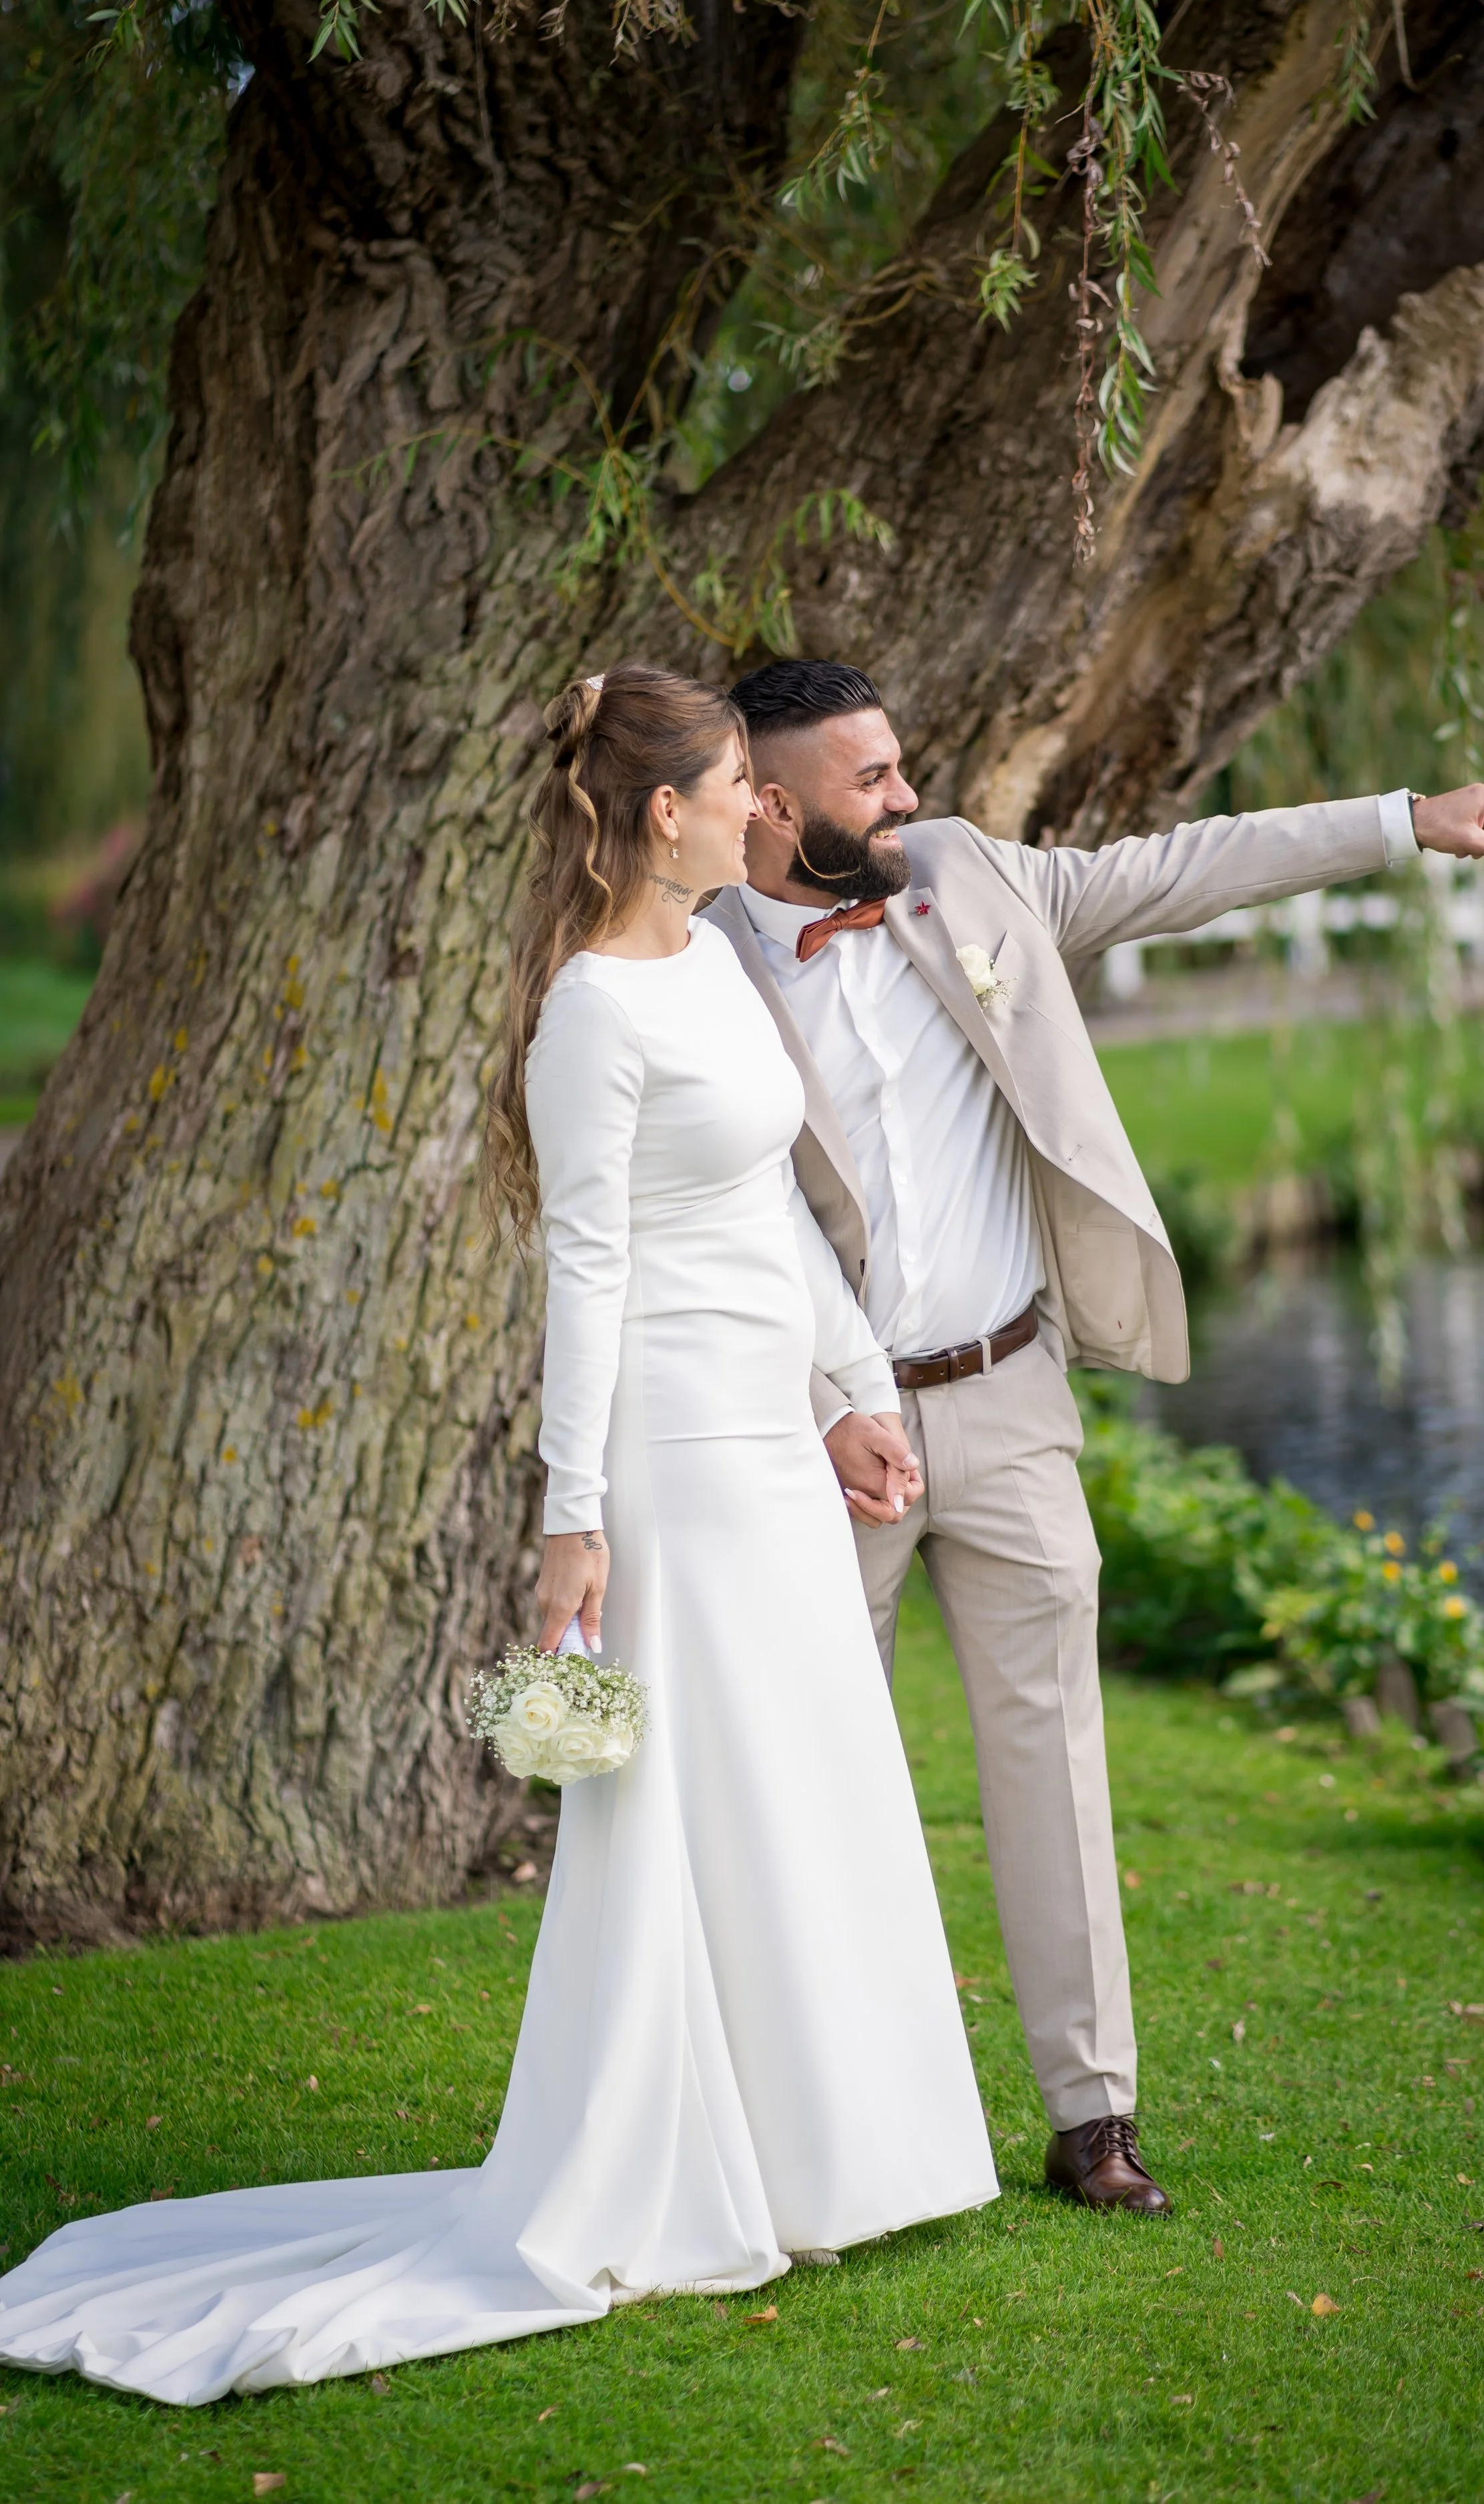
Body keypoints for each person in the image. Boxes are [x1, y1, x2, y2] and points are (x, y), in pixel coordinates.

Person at [0, 663, 997, 2406]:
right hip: (669, 1463)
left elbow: (772, 1198)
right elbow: (586, 1273)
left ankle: (837, 2157)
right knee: (693, 1804)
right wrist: (574, 1520)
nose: (761, 810)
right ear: (658, 809)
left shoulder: (713, 964)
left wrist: (849, 1388)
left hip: (772, 1436)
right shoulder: (589, 1016)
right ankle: (670, 2167)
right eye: (726, 788)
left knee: (808, 1777)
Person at [707, 656, 1484, 2217]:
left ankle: (1091, 2117)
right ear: (764, 805)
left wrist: (1400, 820)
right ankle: (820, 2113)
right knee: (814, 1775)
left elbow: (1167, 871)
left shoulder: (961, 874)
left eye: (901, 766)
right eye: (870, 779)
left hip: (1012, 1396)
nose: (907, 798)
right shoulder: (695, 969)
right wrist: (826, 1407)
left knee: (1055, 1765)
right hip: (818, 1438)